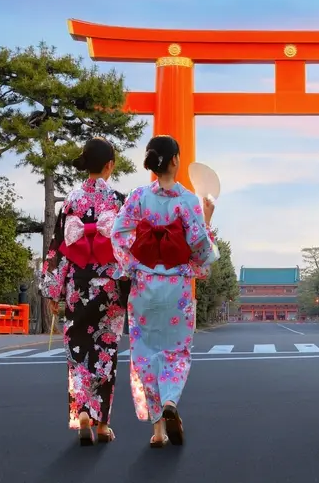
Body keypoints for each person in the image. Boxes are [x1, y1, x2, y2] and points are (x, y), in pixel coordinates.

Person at [111, 134, 219, 448]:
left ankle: (158, 430)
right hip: (178, 288)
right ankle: (170, 399)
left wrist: (132, 264)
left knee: (144, 355)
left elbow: (118, 233)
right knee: (176, 353)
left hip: (145, 286)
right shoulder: (188, 200)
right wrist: (207, 220)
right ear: (175, 161)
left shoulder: (138, 197)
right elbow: (200, 246)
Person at [40, 137, 130, 446]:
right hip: (108, 285)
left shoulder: (71, 201)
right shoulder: (119, 200)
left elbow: (59, 249)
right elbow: (126, 248)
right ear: (109, 165)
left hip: (77, 283)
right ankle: (102, 423)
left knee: (78, 351)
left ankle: (81, 412)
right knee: (105, 349)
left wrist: (54, 291)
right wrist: (130, 285)